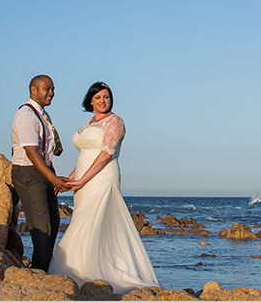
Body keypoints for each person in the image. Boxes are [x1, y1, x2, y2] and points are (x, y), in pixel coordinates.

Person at [48, 82, 158, 294]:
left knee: (94, 221)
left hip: (102, 177)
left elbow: (106, 153)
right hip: (82, 178)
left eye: (106, 97)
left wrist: (82, 180)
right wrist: (69, 180)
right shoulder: (88, 122)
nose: (102, 101)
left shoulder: (115, 121)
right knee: (83, 220)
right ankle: (82, 271)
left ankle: (95, 274)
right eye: (98, 97)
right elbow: (85, 156)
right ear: (90, 100)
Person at [11, 74, 70, 272]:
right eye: (47, 89)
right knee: (42, 228)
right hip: (28, 174)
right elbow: (32, 154)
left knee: (53, 224)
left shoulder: (44, 116)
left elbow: (46, 155)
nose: (51, 93)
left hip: (42, 173)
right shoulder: (26, 116)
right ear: (33, 90)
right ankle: (38, 276)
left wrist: (52, 177)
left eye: (53, 89)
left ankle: (40, 270)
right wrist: (52, 178)